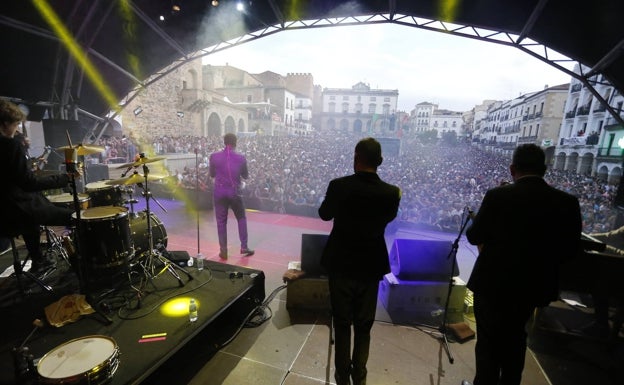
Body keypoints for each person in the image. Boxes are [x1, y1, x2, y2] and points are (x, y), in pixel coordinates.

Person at [463, 144, 582, 385]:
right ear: (545, 170)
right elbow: (570, 251)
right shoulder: (567, 202)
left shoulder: (498, 196)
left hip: (493, 285)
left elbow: (474, 236)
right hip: (532, 288)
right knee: (517, 339)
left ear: (512, 169)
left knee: (488, 342)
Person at [318, 137, 401, 385]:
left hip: (341, 263)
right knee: (364, 326)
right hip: (370, 265)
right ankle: (360, 377)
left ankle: (342, 377)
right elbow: (388, 220)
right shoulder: (391, 193)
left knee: (342, 323)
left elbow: (324, 214)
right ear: (380, 162)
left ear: (356, 158)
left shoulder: (338, 186)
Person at [0, 99, 76, 276]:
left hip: (4, 212)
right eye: (16, 124)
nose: (17, 129)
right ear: (5, 123)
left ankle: (38, 260)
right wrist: (64, 179)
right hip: (18, 209)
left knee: (33, 219)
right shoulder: (10, 146)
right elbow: (29, 183)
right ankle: (80, 259)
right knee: (73, 215)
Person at [209, 133, 254, 259]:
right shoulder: (241, 157)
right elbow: (245, 176)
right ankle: (244, 246)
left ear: (224, 142)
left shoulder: (214, 156)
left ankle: (223, 250)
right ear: (235, 143)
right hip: (234, 192)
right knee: (241, 218)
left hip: (219, 192)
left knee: (221, 222)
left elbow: (212, 174)